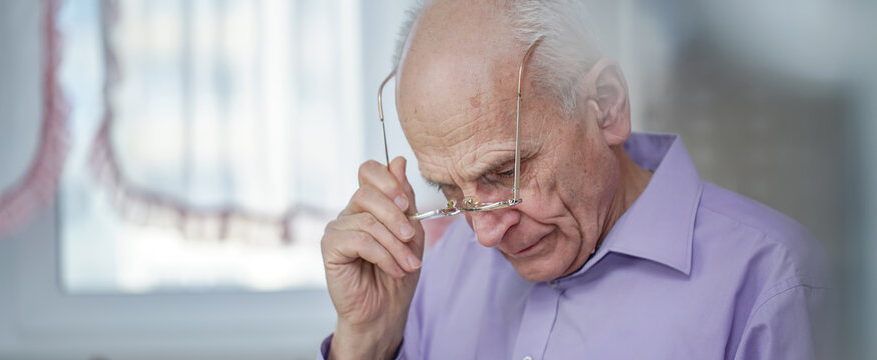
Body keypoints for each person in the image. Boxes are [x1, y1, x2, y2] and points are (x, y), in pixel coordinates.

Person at [318, 0, 828, 359]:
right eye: (451, 192)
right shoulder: (443, 269)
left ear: (606, 107)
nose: (484, 235)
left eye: (504, 173)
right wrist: (364, 343)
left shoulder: (773, 283)